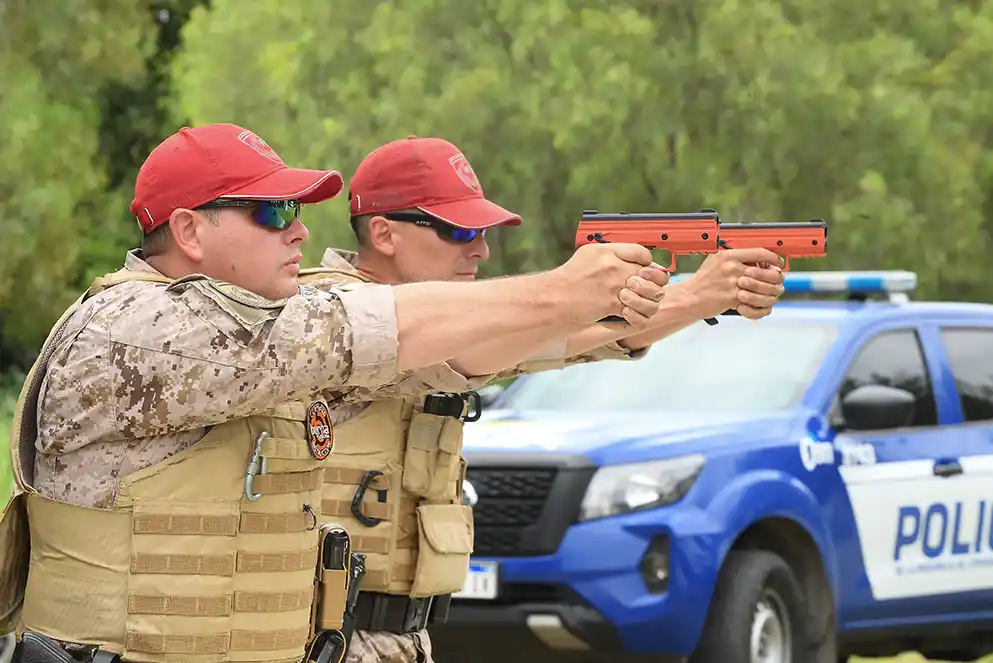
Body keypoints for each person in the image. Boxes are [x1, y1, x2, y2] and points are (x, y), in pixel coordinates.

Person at [0, 124, 672, 663]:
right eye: (274, 210)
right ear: (188, 231)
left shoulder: (255, 338)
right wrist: (562, 288)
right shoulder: (143, 329)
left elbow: (460, 351)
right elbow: (368, 326)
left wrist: (678, 298)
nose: (298, 230)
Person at [297, 136, 787, 663]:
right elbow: (472, 346)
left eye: (481, 231)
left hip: (393, 634)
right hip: (324, 636)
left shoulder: (451, 324)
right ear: (384, 233)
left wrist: (698, 300)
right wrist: (686, 296)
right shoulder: (330, 313)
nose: (480, 249)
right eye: (459, 230)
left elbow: (553, 343)